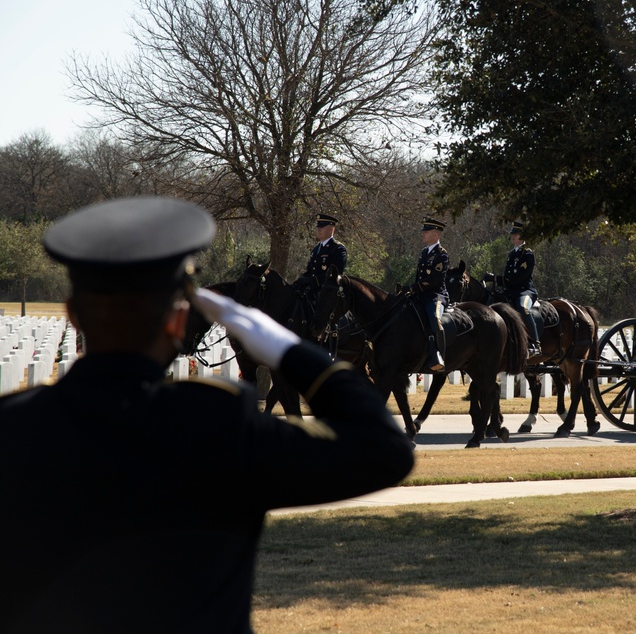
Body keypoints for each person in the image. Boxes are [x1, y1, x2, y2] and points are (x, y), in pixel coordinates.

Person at [0, 197, 413, 633]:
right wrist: (288, 350)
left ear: (72, 316)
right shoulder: (221, 425)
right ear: (179, 322)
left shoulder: (12, 428)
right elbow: (382, 451)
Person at [402, 217, 449, 372]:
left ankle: (439, 356)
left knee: (435, 318)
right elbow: (419, 277)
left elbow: (435, 280)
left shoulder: (442, 254)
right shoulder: (424, 253)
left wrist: (414, 288)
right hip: (420, 295)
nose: (423, 234)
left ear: (436, 235)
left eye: (426, 231)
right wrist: (410, 291)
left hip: (436, 296)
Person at [486, 221, 540, 355]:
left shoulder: (527, 254)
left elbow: (519, 278)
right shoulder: (511, 254)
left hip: (525, 291)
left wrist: (496, 278)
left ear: (522, 236)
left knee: (522, 307)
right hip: (511, 291)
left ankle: (535, 343)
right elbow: (508, 277)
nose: (513, 237)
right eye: (512, 234)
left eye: (516, 234)